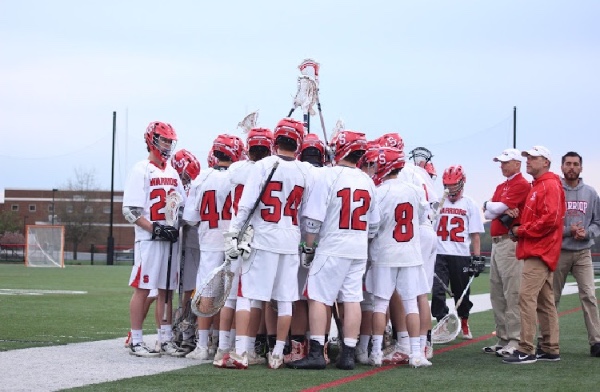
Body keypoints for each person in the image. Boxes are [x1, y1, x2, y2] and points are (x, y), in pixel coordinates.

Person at [225, 118, 314, 370]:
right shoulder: (305, 171)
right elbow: (306, 212)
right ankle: (276, 354)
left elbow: (246, 203)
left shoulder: (264, 165)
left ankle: (241, 351)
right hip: (289, 239)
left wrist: (233, 233)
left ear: (277, 139)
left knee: (247, 296)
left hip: (263, 238)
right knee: (285, 299)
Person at [287, 130, 379, 371]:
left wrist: (308, 245)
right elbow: (374, 224)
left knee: (319, 297)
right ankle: (348, 353)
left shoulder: (328, 176)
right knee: (352, 299)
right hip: (358, 247)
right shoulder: (367, 181)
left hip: (332, 245)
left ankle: (317, 351)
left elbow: (313, 220)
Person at [122, 121, 185, 357]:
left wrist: (175, 225)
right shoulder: (141, 169)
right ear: (152, 140)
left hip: (169, 240)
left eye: (170, 140)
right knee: (143, 289)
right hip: (149, 240)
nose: (167, 145)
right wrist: (155, 229)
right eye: (164, 140)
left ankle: (165, 339)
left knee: (166, 291)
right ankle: (136, 340)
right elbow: (130, 211)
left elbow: (182, 204)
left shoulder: (172, 172)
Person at [365, 147, 432, 368]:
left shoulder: (379, 192)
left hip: (385, 252)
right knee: (411, 303)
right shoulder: (414, 190)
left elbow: (373, 225)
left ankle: (375, 351)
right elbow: (422, 217)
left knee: (380, 304)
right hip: (409, 253)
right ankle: (415, 353)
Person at [183, 134, 245, 361]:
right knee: (232, 293)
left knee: (206, 293)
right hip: (234, 240)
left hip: (209, 239)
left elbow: (190, 217)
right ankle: (224, 343)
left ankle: (202, 345)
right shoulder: (239, 175)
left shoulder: (202, 178)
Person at [503, 146, 566, 364]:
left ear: (546, 162)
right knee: (544, 301)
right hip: (539, 248)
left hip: (540, 250)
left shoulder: (547, 185)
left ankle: (526, 349)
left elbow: (551, 219)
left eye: (533, 158)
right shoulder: (540, 185)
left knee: (526, 297)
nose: (528, 161)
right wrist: (519, 231)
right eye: (527, 157)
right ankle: (550, 348)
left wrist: (523, 231)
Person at [481, 149, 531, 357]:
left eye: (506, 162)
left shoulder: (521, 184)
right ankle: (503, 337)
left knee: (512, 291)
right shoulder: (503, 185)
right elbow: (487, 211)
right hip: (497, 243)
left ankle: (515, 339)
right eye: (501, 162)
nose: (502, 166)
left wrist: (496, 207)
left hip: (510, 242)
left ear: (517, 164)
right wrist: (493, 207)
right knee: (498, 292)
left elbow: (497, 207)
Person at [553, 151, 600, 357]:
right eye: (568, 164)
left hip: (582, 253)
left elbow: (597, 222)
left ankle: (596, 342)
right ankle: (548, 341)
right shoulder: (555, 191)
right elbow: (550, 223)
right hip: (559, 251)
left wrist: (587, 232)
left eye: (575, 164)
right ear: (562, 167)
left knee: (589, 295)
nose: (571, 167)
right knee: (551, 298)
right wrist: (568, 231)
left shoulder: (590, 193)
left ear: (581, 167)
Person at [431, 165, 485, 340]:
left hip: (460, 254)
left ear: (462, 183)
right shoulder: (438, 202)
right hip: (439, 252)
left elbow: (475, 234)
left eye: (454, 184)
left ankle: (463, 320)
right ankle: (443, 321)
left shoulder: (470, 204)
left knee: (461, 291)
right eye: (448, 184)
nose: (451, 188)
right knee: (437, 291)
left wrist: (476, 257)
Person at [169, 149, 201, 357]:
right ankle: (185, 330)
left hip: (200, 242)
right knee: (188, 291)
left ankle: (194, 331)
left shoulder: (198, 184)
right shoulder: (177, 187)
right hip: (191, 243)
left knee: (198, 291)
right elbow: (177, 219)